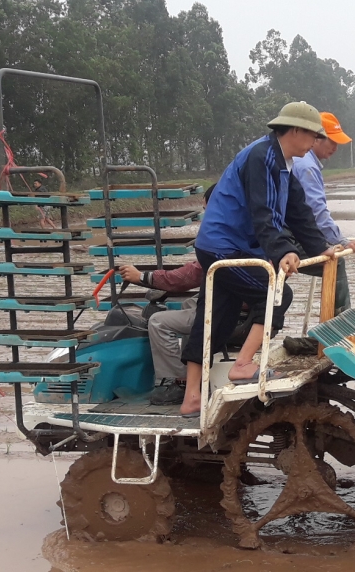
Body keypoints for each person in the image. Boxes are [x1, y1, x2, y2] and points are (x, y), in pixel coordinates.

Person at [179, 101, 336, 416]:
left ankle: (191, 398)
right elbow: (262, 213)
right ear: (295, 130)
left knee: (215, 318)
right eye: (312, 135)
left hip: (231, 246)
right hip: (223, 247)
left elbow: (299, 213)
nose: (314, 142)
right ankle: (243, 365)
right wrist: (283, 251)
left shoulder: (284, 162)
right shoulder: (261, 157)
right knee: (277, 294)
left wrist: (322, 248)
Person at [116, 185, 215, 406]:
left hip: (224, 308)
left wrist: (143, 277)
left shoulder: (220, 235)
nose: (204, 212)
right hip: (238, 304)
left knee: (158, 322)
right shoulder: (242, 229)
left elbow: (190, 275)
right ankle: (194, 369)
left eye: (207, 208)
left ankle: (182, 382)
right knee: (188, 304)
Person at [291, 112, 355, 314]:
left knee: (330, 257)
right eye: (331, 141)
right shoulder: (306, 166)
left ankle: (331, 325)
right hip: (287, 235)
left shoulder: (302, 162)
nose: (335, 147)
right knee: (334, 261)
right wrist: (341, 241)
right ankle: (340, 323)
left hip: (286, 230)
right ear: (315, 137)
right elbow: (316, 211)